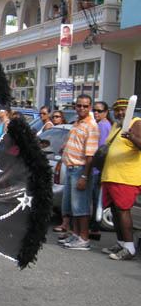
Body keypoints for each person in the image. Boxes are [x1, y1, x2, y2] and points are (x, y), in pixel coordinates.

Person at [100, 98, 141, 261]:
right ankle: (121, 242)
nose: (120, 113)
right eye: (117, 110)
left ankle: (129, 248)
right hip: (111, 176)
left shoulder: (136, 123)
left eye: (123, 109)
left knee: (123, 211)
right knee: (115, 211)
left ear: (130, 110)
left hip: (125, 177)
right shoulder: (116, 126)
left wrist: (131, 137)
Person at [59, 94, 99, 251]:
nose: (82, 108)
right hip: (70, 168)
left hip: (80, 169)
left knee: (81, 207)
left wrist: (84, 176)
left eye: (85, 106)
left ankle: (84, 238)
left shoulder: (91, 126)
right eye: (79, 105)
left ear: (90, 107)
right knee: (73, 206)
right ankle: (75, 235)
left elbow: (90, 156)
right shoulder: (77, 123)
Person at [89, 101, 112, 239]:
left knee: (96, 199)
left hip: (97, 170)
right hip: (97, 169)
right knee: (95, 199)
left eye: (99, 110)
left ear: (106, 112)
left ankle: (95, 228)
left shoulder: (103, 126)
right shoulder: (102, 125)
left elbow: (100, 150)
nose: (96, 113)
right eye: (95, 110)